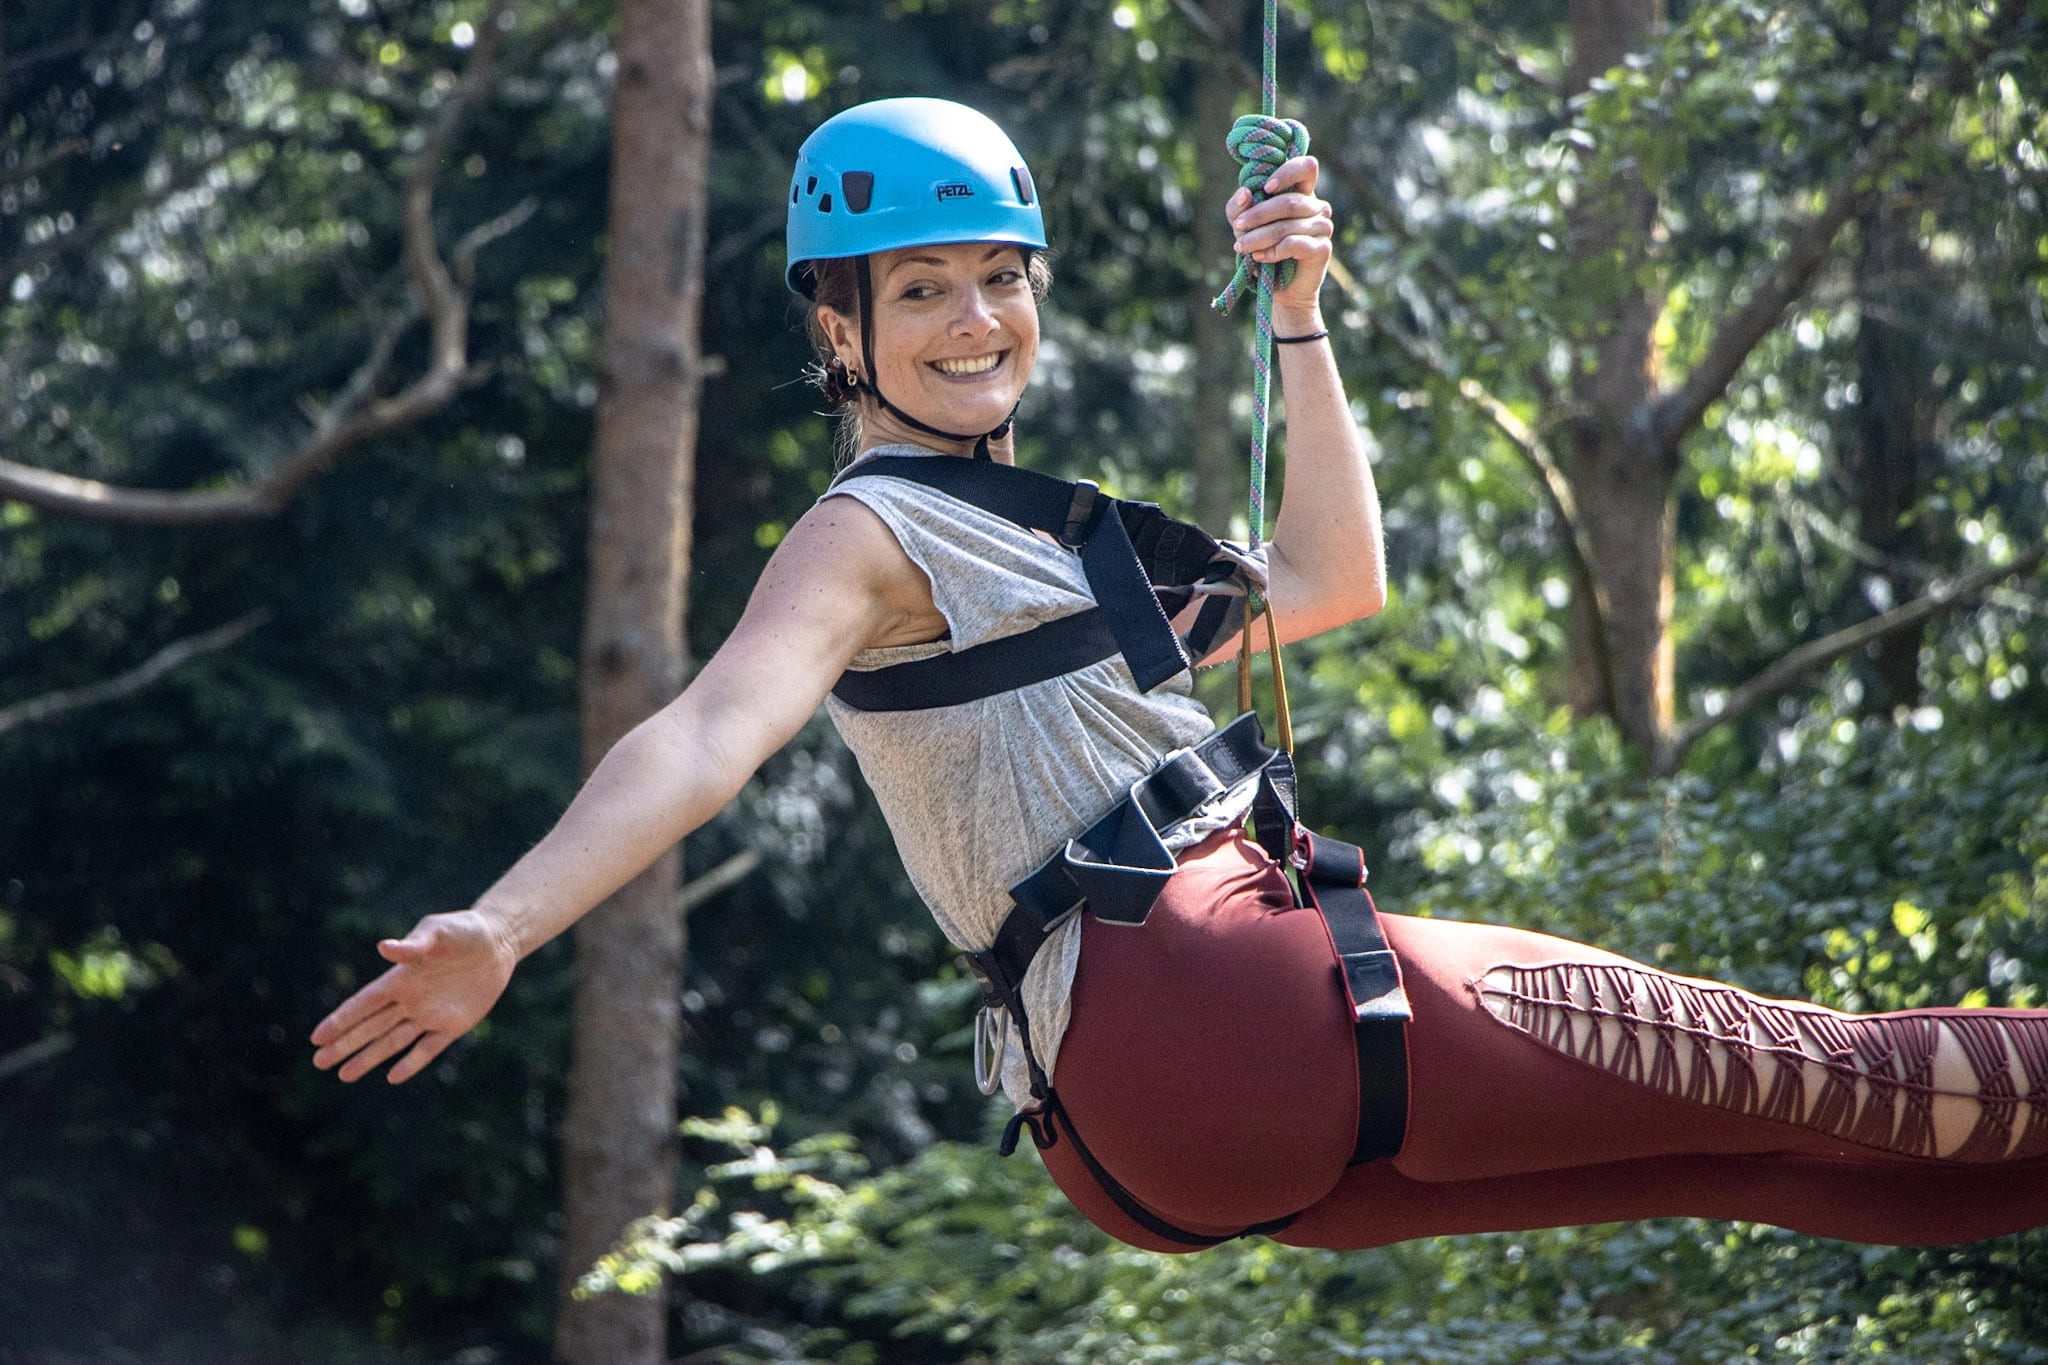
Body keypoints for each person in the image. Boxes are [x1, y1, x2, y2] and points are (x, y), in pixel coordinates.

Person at [312, 96, 2048, 1255]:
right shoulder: (865, 539)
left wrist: (1297, 311)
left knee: (1784, 1158)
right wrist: (510, 925)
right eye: (922, 290)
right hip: (1212, 1006)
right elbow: (703, 737)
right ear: (835, 328)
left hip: (1153, 1132)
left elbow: (1329, 582)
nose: (979, 320)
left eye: (1003, 278)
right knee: (1829, 1067)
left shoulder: (1035, 539)